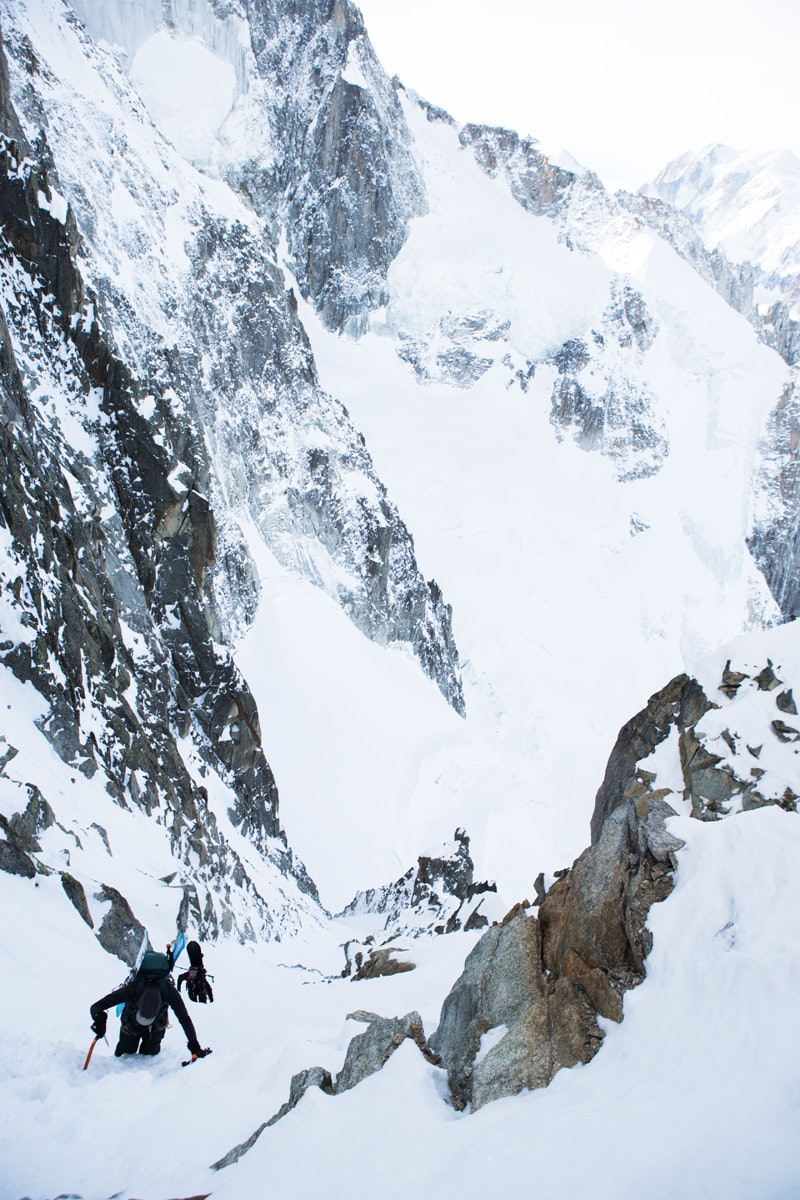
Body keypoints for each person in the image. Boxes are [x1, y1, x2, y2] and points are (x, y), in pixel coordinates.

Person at [89, 950, 211, 1060]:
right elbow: (184, 1019)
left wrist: (100, 1020)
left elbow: (97, 1007)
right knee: (143, 1056)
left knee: (128, 1055)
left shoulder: (137, 990)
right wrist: (194, 1046)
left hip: (140, 1026)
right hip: (147, 1027)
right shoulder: (161, 990)